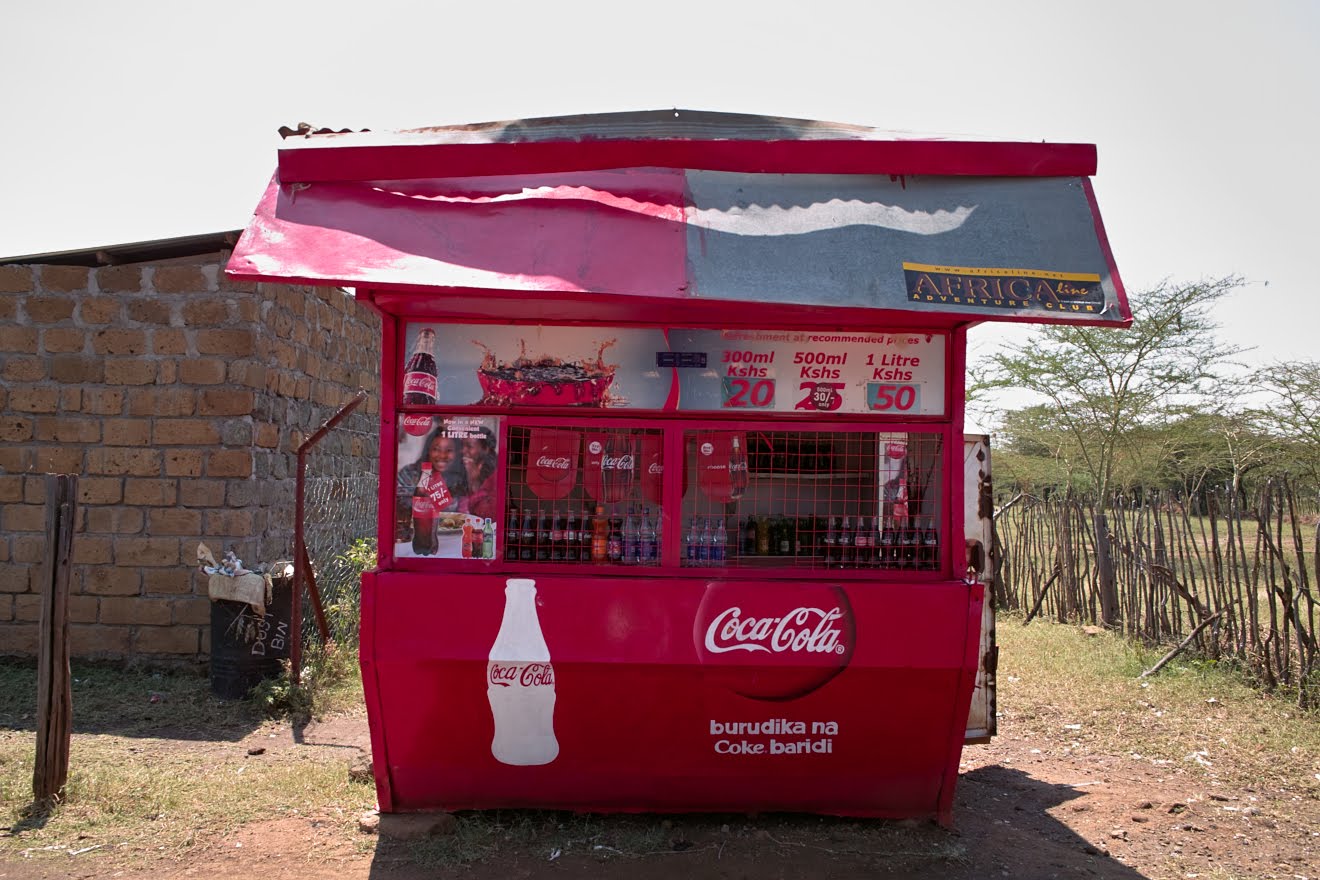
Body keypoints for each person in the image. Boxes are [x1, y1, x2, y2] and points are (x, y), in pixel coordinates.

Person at [458, 425, 498, 519]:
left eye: (469, 446)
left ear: (486, 449)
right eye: (462, 446)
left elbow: (488, 515)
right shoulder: (464, 468)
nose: (463, 451)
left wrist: (474, 482)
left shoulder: (495, 475)